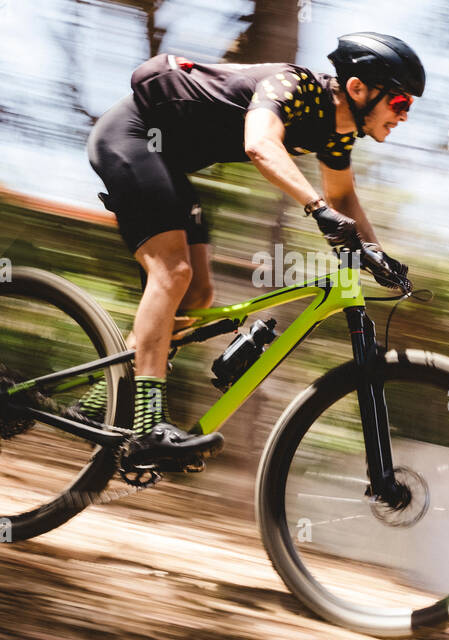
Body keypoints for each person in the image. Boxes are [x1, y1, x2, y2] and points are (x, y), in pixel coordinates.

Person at [80, 31, 425, 470]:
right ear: (358, 88)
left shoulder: (336, 134)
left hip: (163, 161)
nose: (405, 116)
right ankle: (147, 423)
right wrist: (315, 209)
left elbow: (342, 199)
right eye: (400, 104)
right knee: (173, 272)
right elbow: (260, 143)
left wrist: (377, 258)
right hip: (130, 137)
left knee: (197, 294)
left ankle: (101, 401)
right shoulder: (293, 85)